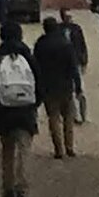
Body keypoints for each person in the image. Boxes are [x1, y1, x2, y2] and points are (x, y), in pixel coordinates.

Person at [0, 23, 41, 197]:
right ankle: (22, 189)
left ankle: (7, 189)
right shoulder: (28, 58)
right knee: (24, 152)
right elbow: (40, 82)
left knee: (7, 152)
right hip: (25, 111)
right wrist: (33, 104)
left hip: (4, 113)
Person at [35, 11, 84, 158]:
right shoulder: (65, 44)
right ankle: (69, 146)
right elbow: (73, 67)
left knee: (54, 118)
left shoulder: (40, 44)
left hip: (48, 86)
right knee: (68, 118)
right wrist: (78, 86)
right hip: (66, 86)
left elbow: (36, 66)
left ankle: (58, 149)